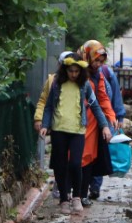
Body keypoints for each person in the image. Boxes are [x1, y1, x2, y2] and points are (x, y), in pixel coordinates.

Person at [39, 56, 111, 214]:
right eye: (71, 71)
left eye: (77, 71)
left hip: (78, 130)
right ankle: (64, 199)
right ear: (65, 70)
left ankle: (77, 196)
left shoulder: (85, 85)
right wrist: (45, 125)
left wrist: (104, 126)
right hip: (59, 130)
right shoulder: (57, 84)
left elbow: (95, 105)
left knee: (75, 163)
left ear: (81, 71)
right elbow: (49, 106)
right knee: (60, 164)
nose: (73, 74)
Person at [80, 41, 124, 204]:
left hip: (93, 122)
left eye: (100, 61)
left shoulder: (99, 75)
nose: (98, 64)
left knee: (89, 157)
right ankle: (68, 193)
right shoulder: (76, 72)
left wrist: (112, 117)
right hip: (74, 121)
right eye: (96, 60)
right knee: (74, 157)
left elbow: (103, 97)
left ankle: (82, 194)